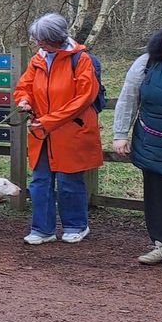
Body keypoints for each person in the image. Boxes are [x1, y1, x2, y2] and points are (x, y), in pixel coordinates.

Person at [12, 13, 102, 245]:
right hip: (42, 132)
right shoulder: (37, 60)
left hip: (71, 131)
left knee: (69, 181)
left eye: (40, 40)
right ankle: (42, 229)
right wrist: (24, 100)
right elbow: (24, 86)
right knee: (40, 181)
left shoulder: (81, 60)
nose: (37, 44)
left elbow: (84, 98)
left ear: (54, 39)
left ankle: (76, 225)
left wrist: (51, 120)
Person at [113, 14, 162, 267]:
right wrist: (120, 135)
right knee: (158, 194)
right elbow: (128, 98)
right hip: (153, 142)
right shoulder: (147, 63)